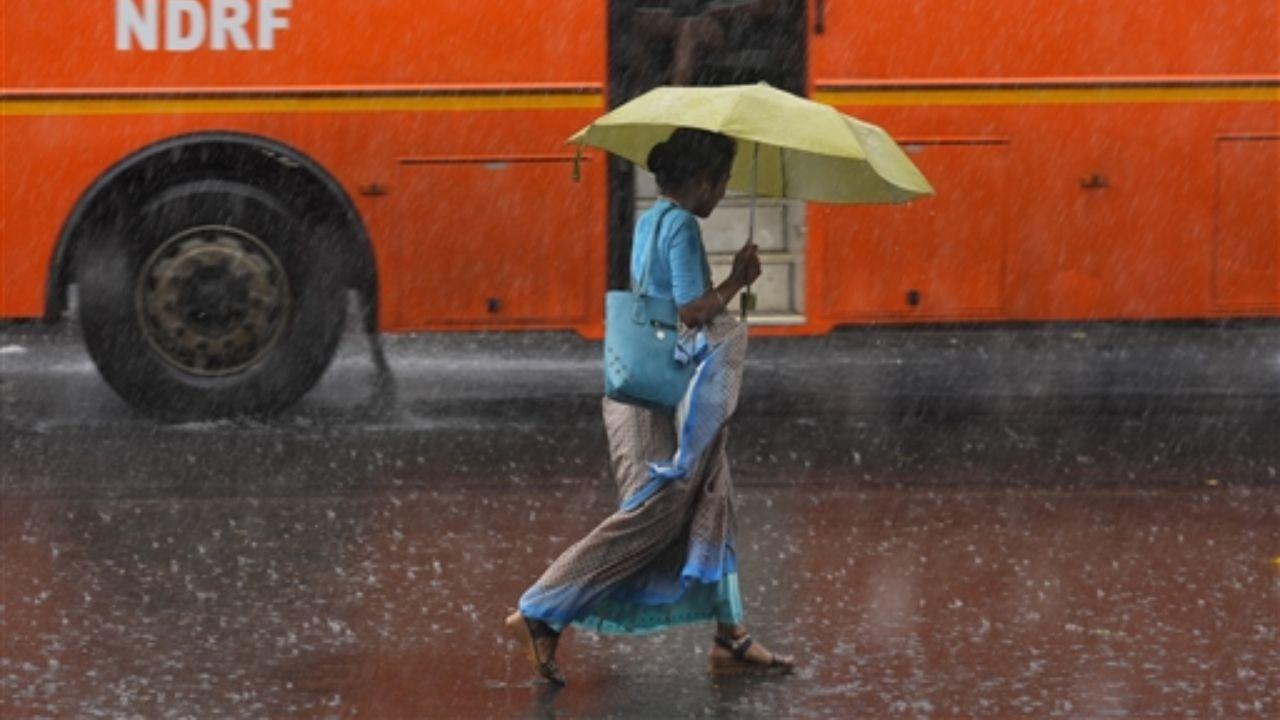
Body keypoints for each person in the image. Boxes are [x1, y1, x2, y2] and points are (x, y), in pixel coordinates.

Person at [505, 128, 794, 686]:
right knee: (656, 511)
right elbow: (690, 311)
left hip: (663, 385)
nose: (724, 194)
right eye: (724, 182)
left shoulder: (650, 219)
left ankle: (731, 637)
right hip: (660, 396)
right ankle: (542, 609)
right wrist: (738, 278)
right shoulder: (682, 225)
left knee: (715, 493)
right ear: (704, 181)